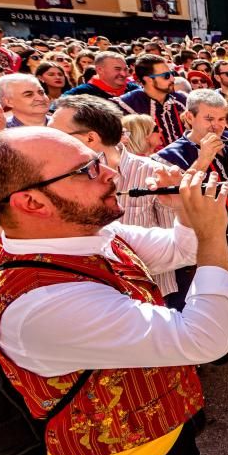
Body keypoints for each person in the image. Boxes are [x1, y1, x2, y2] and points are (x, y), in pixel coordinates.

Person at [0, 127, 228, 455]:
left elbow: (180, 249)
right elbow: (205, 339)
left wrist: (184, 211)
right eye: (86, 170)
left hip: (168, 441)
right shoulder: (41, 303)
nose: (110, 175)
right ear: (32, 202)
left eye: (98, 160)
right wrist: (212, 233)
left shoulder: (97, 233)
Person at [156, 89, 228, 346]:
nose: (218, 126)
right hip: (208, 243)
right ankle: (211, 341)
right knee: (210, 291)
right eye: (209, 118)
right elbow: (171, 198)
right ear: (189, 117)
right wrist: (203, 159)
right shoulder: (170, 155)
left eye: (222, 119)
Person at [49, 95, 182, 303]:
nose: (48, 141)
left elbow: (176, 244)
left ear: (90, 139)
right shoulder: (60, 179)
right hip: (92, 296)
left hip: (152, 295)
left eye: (55, 135)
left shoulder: (156, 175)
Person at [116, 54, 186, 150]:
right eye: (166, 76)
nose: (172, 79)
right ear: (148, 79)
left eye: (172, 74)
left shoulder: (181, 100)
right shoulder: (126, 105)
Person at [63, 51, 138, 99]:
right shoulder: (81, 93)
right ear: (100, 70)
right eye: (117, 69)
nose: (123, 74)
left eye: (125, 69)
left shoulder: (134, 89)